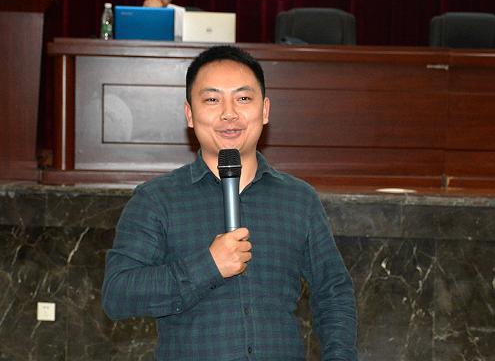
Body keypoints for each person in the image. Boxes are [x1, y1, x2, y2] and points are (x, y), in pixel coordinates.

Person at [102, 45, 357, 360]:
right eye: (212, 100)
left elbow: (333, 292)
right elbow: (118, 294)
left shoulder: (299, 199)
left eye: (243, 98)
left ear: (265, 110)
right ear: (190, 114)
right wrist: (207, 266)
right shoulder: (156, 199)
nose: (229, 113)